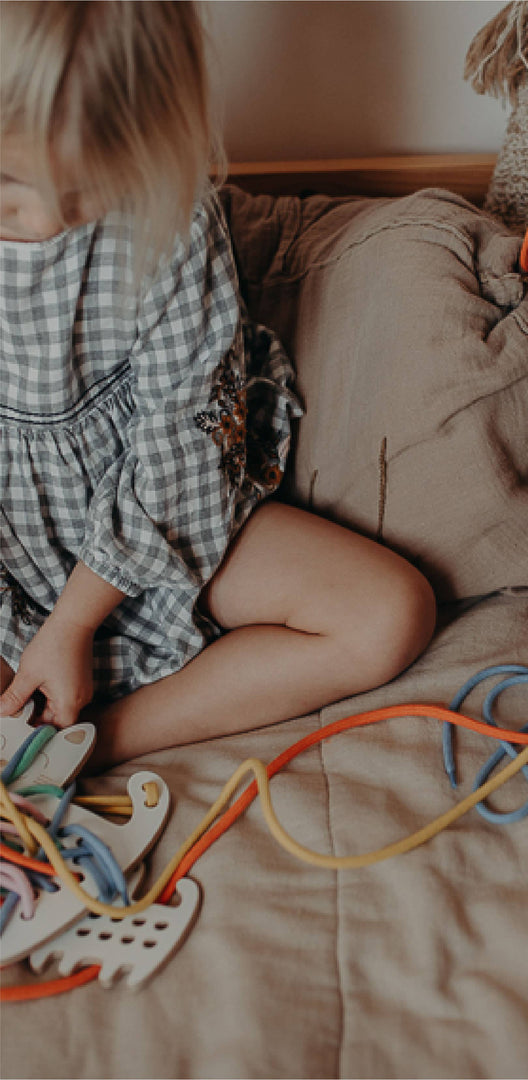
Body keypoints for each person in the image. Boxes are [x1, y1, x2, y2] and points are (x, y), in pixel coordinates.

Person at [0, 1, 437, 766]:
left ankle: (91, 745)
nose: (43, 220)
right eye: (8, 179)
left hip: (153, 504)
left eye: (83, 191)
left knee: (390, 612)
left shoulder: (170, 218)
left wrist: (72, 623)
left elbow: (182, 436)